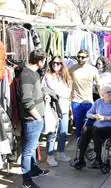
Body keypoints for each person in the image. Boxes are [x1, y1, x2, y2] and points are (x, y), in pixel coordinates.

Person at [73, 86, 111, 170]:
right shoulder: (98, 102)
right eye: (108, 92)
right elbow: (88, 113)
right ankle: (81, 160)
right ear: (102, 95)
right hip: (96, 127)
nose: (110, 93)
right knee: (86, 130)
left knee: (95, 130)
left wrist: (106, 118)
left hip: (110, 128)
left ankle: (98, 159)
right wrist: (94, 116)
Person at [20, 49, 49, 188]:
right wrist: (38, 118)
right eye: (44, 61)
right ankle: (27, 180)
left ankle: (34, 170)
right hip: (32, 120)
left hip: (35, 118)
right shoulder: (27, 75)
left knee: (32, 148)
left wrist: (45, 95)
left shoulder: (34, 73)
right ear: (40, 61)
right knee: (28, 150)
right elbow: (27, 101)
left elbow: (36, 91)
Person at [43, 56, 72, 166]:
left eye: (58, 63)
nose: (56, 65)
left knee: (63, 132)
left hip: (64, 106)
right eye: (54, 63)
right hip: (53, 108)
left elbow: (68, 92)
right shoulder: (48, 76)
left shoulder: (65, 76)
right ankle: (50, 155)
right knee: (52, 132)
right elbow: (54, 91)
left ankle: (60, 152)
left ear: (62, 64)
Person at [69, 50, 100, 138]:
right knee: (78, 124)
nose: (80, 59)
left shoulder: (93, 69)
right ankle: (79, 142)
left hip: (88, 101)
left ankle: (88, 141)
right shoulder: (72, 68)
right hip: (75, 100)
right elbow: (68, 84)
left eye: (83, 57)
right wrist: (68, 100)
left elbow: (99, 85)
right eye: (78, 57)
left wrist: (102, 99)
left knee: (89, 123)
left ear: (88, 58)